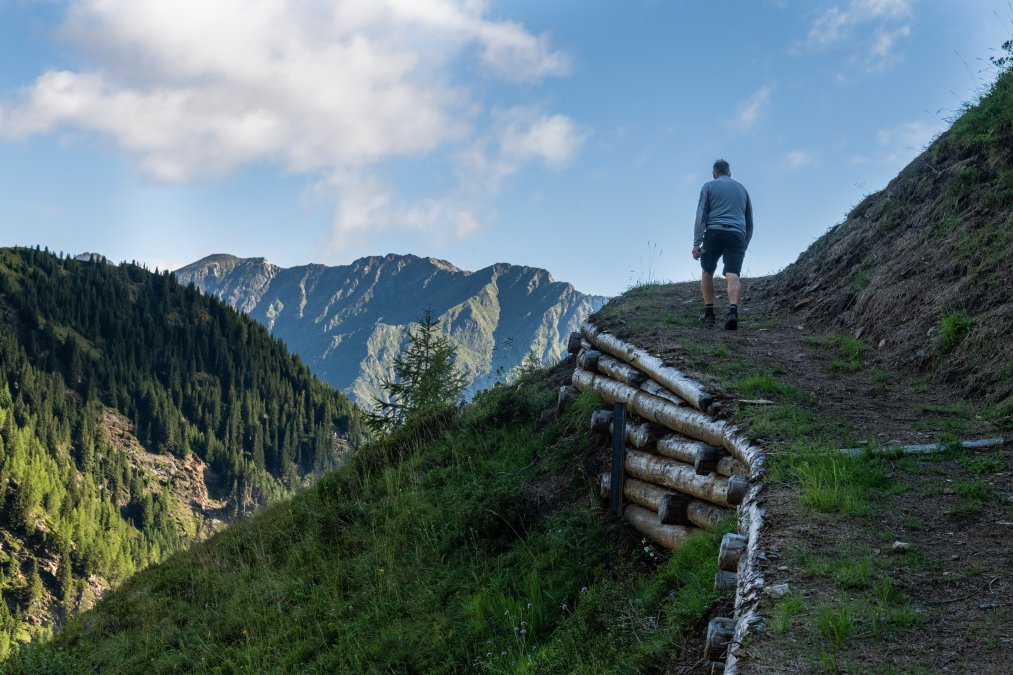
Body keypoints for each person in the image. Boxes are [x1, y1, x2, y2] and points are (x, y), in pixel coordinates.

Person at [692, 159, 753, 330]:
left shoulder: (709, 187)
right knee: (733, 274)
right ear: (730, 172)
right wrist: (744, 244)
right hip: (737, 234)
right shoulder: (743, 189)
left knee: (707, 271)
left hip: (714, 232)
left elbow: (701, 215)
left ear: (714, 174)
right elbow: (750, 222)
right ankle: (733, 311)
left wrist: (697, 243)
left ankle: (709, 313)